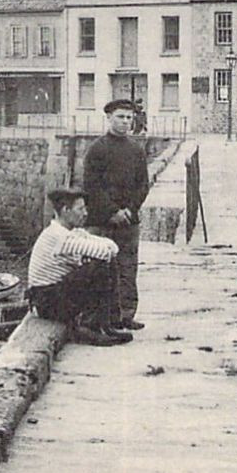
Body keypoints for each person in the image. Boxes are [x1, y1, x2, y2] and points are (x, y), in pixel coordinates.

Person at [25, 188, 131, 345]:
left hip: (54, 295)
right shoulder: (58, 236)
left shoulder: (72, 232)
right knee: (98, 266)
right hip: (46, 301)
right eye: (80, 209)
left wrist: (106, 251)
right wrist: (103, 253)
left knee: (103, 263)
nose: (86, 213)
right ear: (65, 210)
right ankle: (88, 327)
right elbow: (103, 251)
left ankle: (104, 324)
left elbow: (111, 246)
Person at [82, 99, 149, 330]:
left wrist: (130, 210)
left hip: (129, 222)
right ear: (109, 118)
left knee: (128, 269)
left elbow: (143, 185)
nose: (125, 122)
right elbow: (91, 186)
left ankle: (126, 316)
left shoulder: (136, 150)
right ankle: (102, 317)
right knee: (100, 270)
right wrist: (112, 211)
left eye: (129, 118)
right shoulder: (97, 149)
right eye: (121, 117)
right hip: (103, 221)